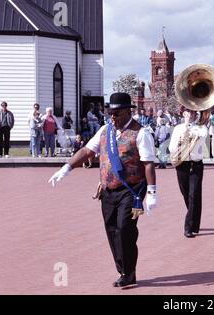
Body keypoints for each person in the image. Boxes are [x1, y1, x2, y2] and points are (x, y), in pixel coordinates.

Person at [48, 92, 157, 288]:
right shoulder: (105, 131)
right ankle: (123, 269)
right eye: (110, 113)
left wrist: (151, 193)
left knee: (126, 229)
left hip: (132, 192)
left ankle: (129, 273)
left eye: (116, 113)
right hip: (107, 191)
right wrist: (67, 167)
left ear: (127, 111)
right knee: (112, 230)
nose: (112, 117)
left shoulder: (141, 133)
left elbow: (148, 164)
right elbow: (86, 151)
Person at [169, 108, 209, 238]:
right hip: (182, 164)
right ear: (183, 113)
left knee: (194, 195)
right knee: (186, 194)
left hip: (195, 164)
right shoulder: (178, 128)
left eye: (193, 113)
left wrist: (189, 128)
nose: (191, 115)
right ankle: (194, 221)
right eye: (188, 112)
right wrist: (185, 126)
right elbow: (172, 147)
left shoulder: (201, 128)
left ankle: (188, 227)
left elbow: (203, 139)